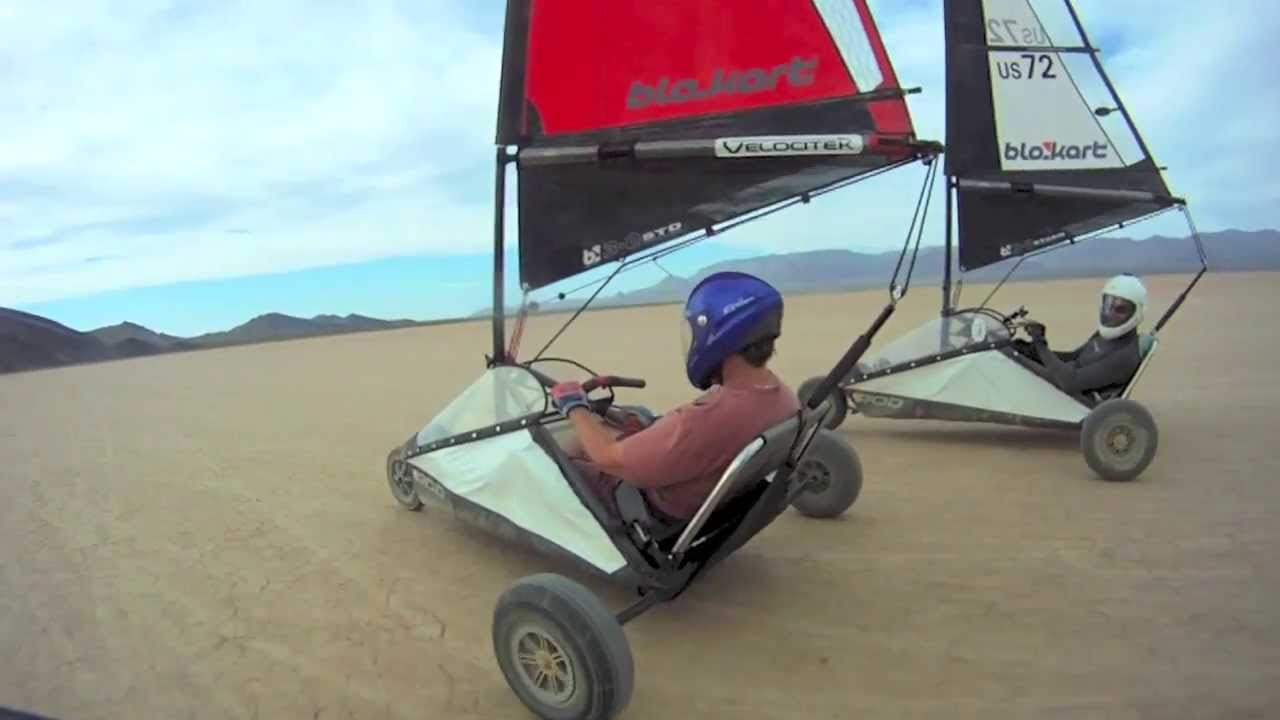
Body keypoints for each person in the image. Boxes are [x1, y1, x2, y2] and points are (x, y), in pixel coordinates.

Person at [548, 271, 801, 524]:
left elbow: (608, 457)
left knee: (556, 459)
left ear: (718, 337)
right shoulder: (782, 398)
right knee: (601, 435)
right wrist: (654, 429)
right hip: (707, 507)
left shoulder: (708, 417)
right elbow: (691, 441)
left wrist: (574, 406)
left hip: (651, 508)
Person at [1019, 273, 1148, 399]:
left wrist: (1040, 343)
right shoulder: (1105, 336)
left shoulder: (1125, 356)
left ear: (1136, 314)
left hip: (1074, 400)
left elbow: (1070, 382)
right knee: (1015, 351)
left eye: (1120, 310)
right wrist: (1034, 352)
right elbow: (1074, 357)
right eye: (1108, 305)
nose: (1110, 314)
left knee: (1011, 357)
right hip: (1065, 381)